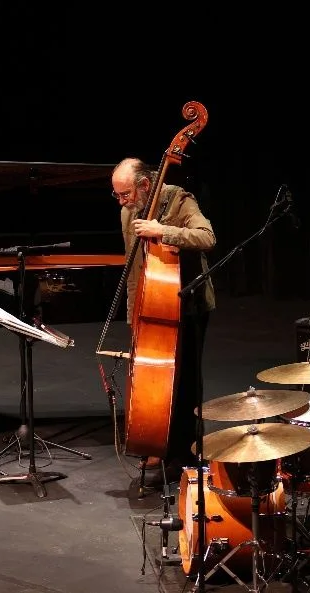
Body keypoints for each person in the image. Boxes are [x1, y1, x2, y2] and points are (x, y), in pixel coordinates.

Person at [112, 157, 216, 478]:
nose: (122, 201)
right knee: (156, 383)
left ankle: (186, 454)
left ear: (145, 185)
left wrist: (164, 231)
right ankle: (160, 445)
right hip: (151, 306)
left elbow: (207, 237)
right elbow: (134, 272)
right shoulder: (128, 212)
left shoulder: (179, 200)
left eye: (126, 194)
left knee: (184, 384)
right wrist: (135, 317)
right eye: (117, 195)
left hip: (189, 304)